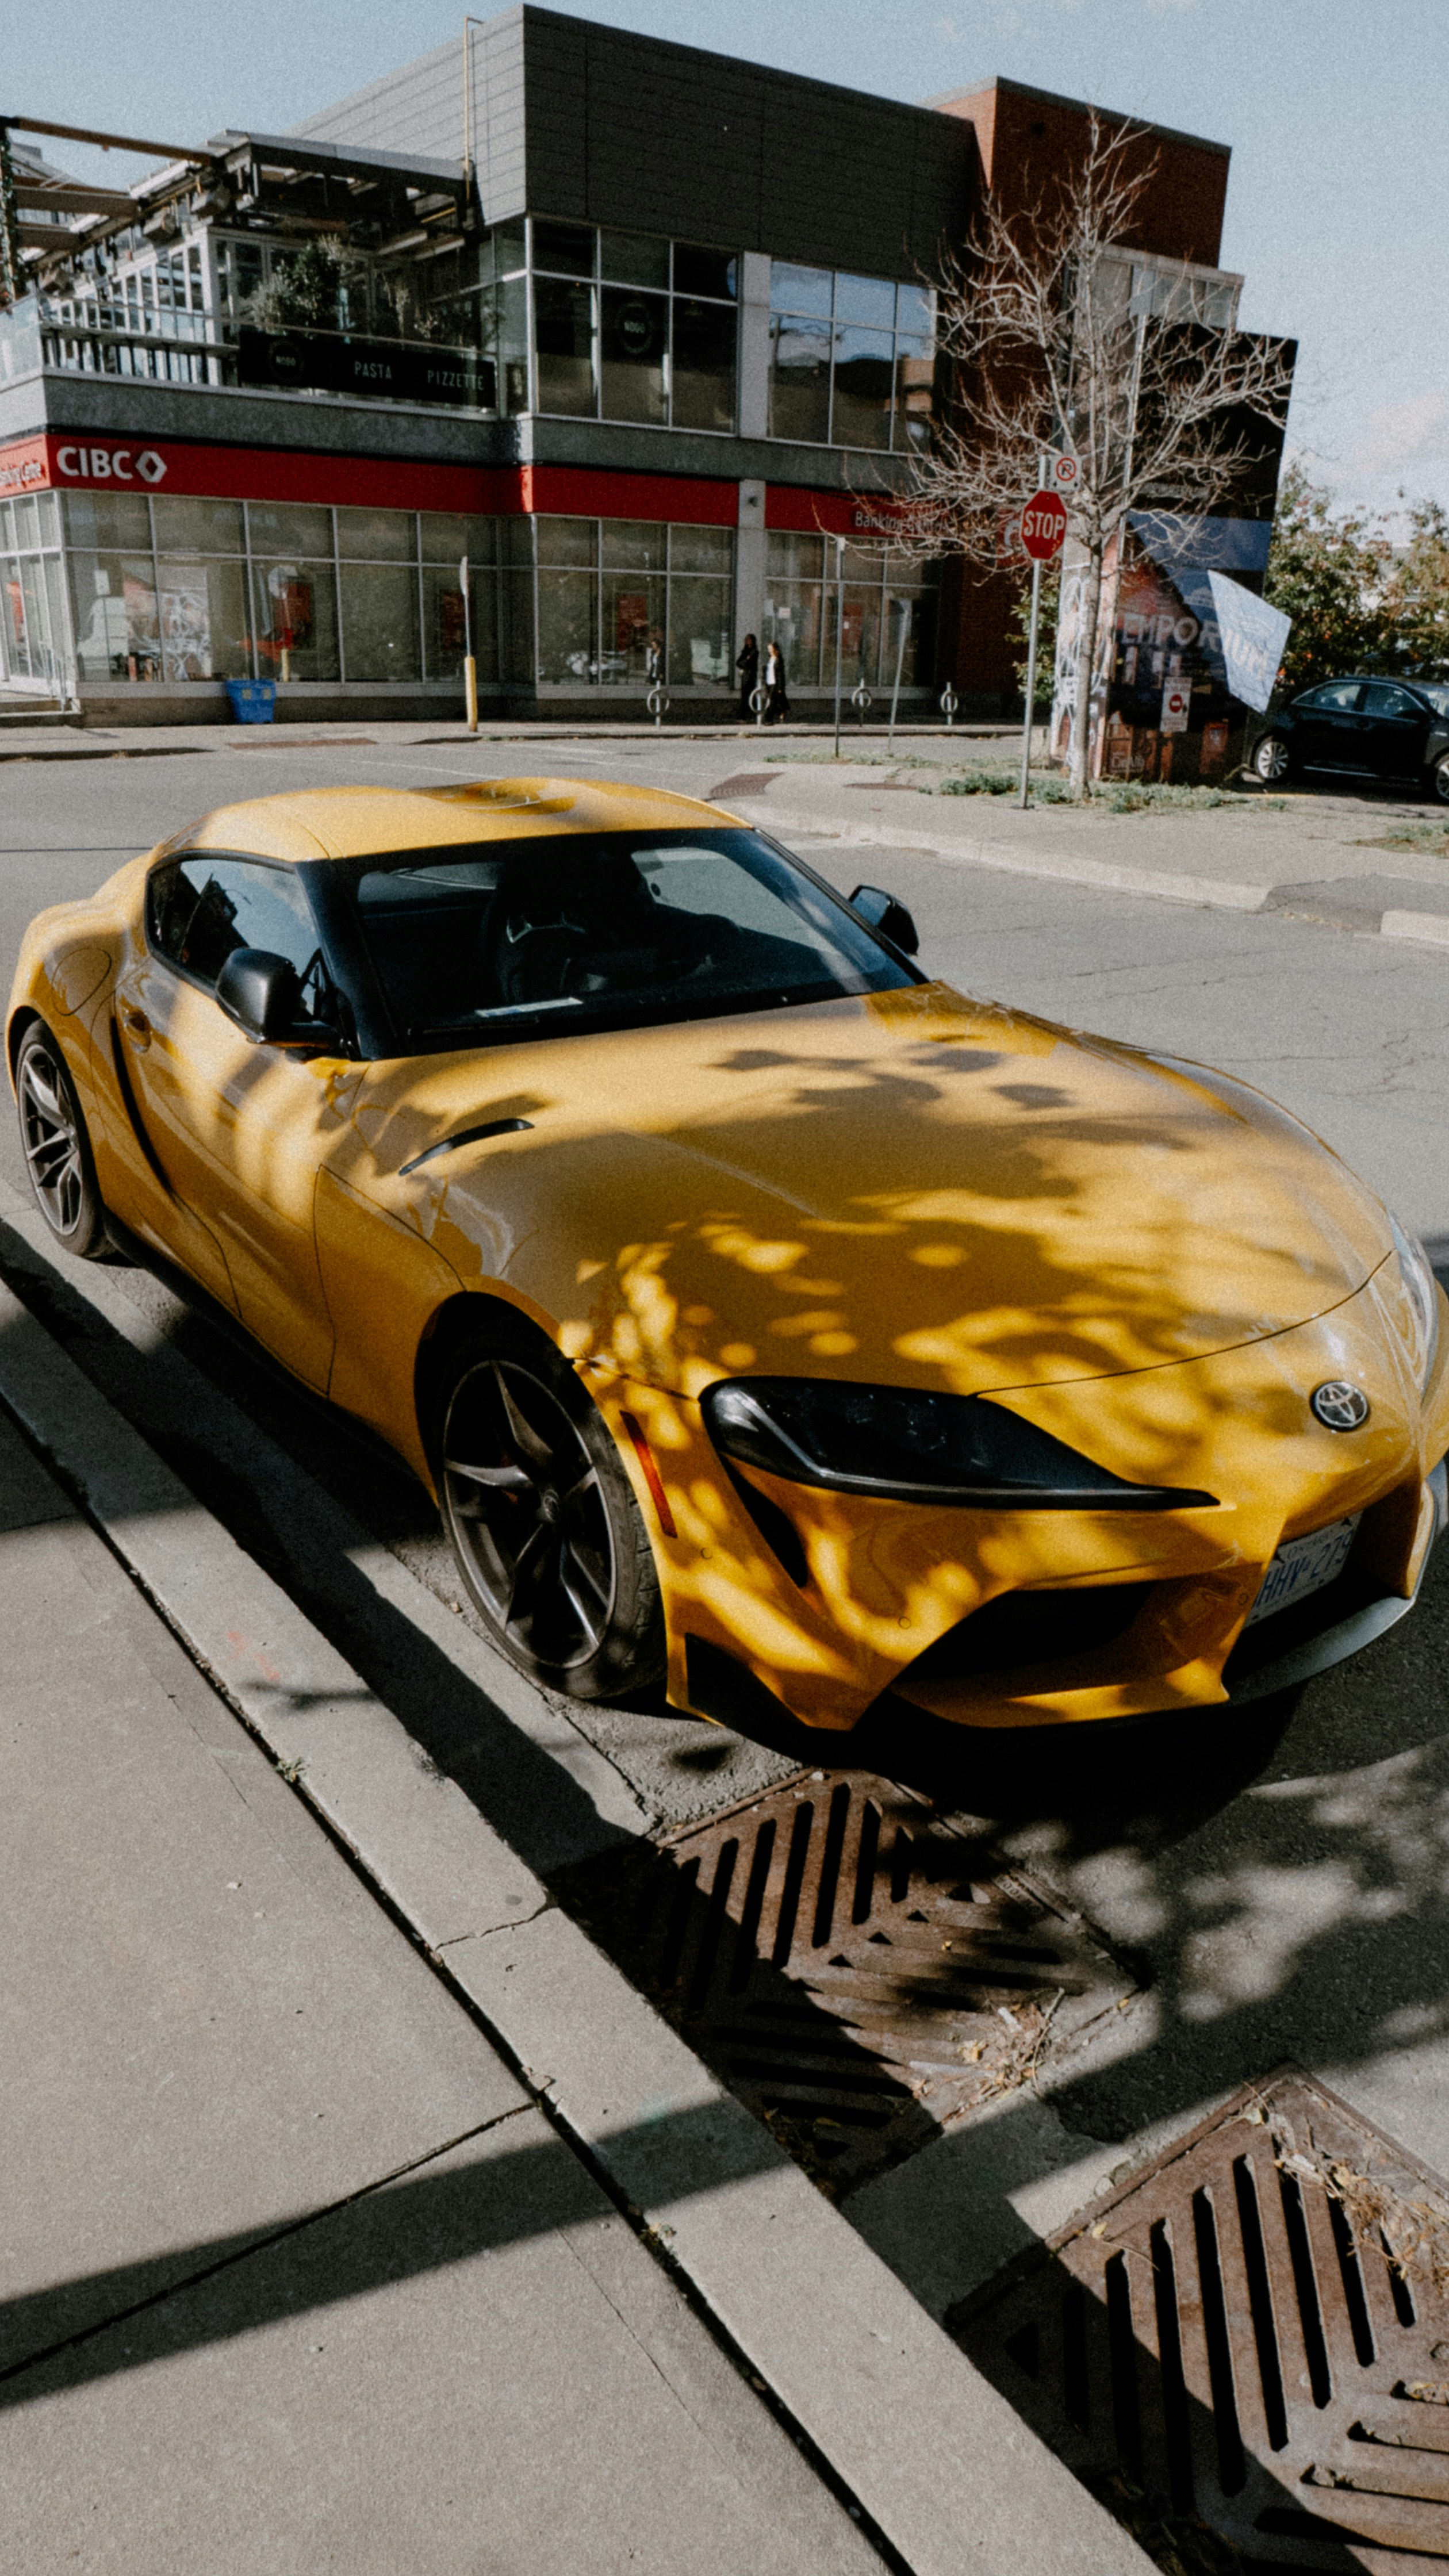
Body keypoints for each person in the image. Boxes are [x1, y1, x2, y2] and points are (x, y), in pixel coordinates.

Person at [764, 637, 789, 724]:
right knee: (774, 701)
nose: (770, 651)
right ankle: (781, 711)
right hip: (769, 682)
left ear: (776, 649)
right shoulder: (770, 659)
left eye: (771, 649)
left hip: (775, 683)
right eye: (769, 649)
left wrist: (780, 687)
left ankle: (768, 719)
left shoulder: (779, 660)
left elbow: (780, 674)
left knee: (771, 701)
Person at [735, 630, 759, 719]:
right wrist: (746, 661)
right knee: (745, 694)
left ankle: (750, 713)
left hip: (751, 675)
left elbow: (749, 663)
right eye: (747, 640)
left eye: (749, 640)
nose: (748, 641)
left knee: (750, 694)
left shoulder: (754, 651)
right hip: (745, 675)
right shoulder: (745, 651)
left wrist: (745, 662)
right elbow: (738, 663)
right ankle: (744, 714)